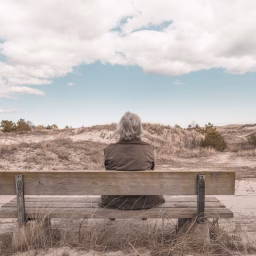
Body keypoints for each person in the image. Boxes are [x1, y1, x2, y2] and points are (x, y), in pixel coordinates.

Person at [98, 112, 165, 210]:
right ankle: (144, 215)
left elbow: (108, 170)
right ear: (139, 129)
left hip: (115, 201)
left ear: (120, 129)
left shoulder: (109, 149)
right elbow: (151, 171)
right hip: (144, 200)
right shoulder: (149, 148)